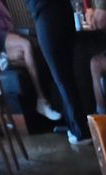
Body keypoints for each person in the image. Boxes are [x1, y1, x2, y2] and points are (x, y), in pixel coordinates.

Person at [0, 0, 61, 121]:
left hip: (6, 35)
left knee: (33, 55)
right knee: (25, 45)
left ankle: (5, 61)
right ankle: (41, 99)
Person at [25, 0, 91, 145]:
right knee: (68, 75)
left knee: (62, 77)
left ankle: (80, 131)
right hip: (64, 11)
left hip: (46, 15)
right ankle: (76, 125)